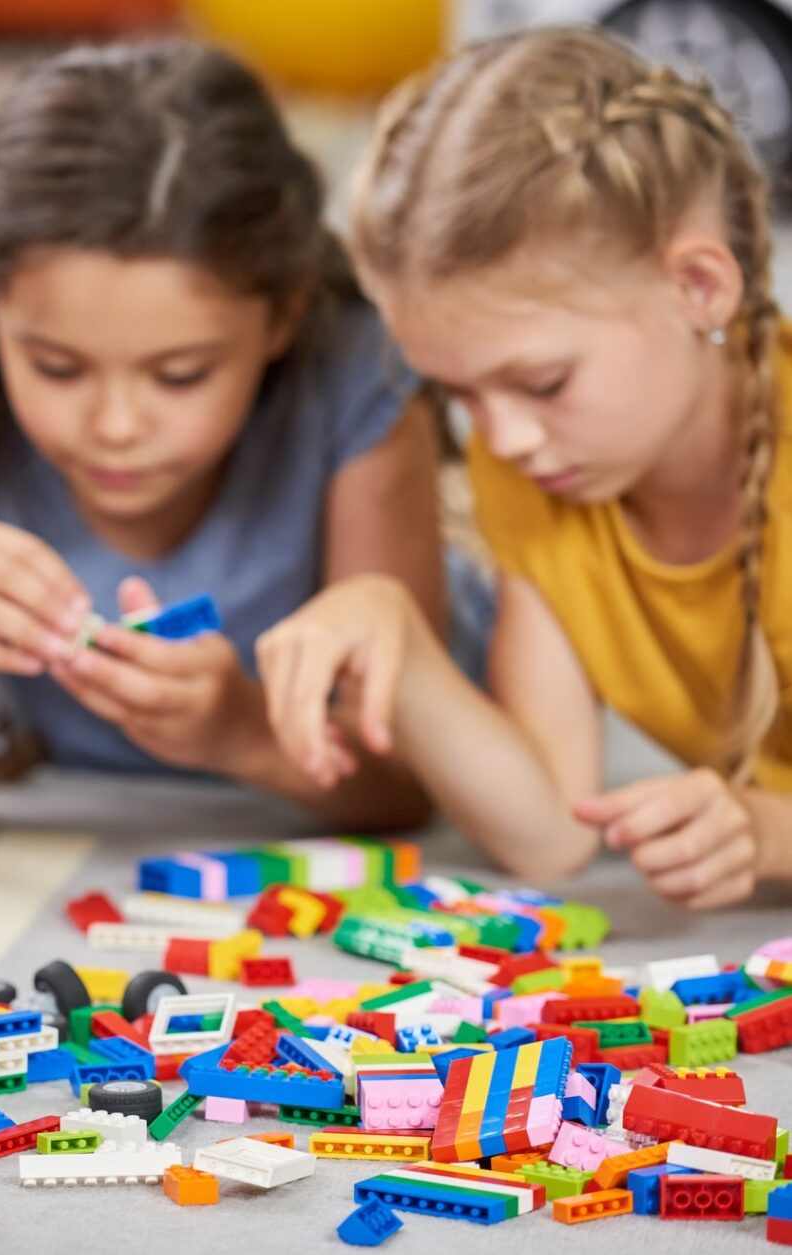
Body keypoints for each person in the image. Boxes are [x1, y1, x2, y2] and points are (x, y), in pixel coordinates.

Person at [0, 41, 444, 830]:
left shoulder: (361, 385)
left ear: (283, 318)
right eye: (57, 368)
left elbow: (407, 781)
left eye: (180, 375)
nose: (116, 428)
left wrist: (241, 729)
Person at [260, 27, 792, 909]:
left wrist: (766, 830)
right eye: (457, 392)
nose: (499, 438)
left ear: (700, 286)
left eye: (543, 381)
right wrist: (392, 624)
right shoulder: (546, 473)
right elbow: (551, 829)